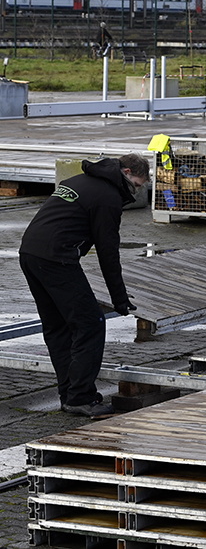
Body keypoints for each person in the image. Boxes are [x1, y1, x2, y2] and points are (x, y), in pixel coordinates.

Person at [19, 154, 150, 418]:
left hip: (30, 253)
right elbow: (108, 251)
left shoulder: (82, 180)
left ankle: (69, 396)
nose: (136, 192)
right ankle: (82, 397)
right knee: (90, 323)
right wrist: (119, 298)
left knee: (58, 328)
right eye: (136, 184)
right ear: (126, 172)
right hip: (57, 258)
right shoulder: (108, 197)